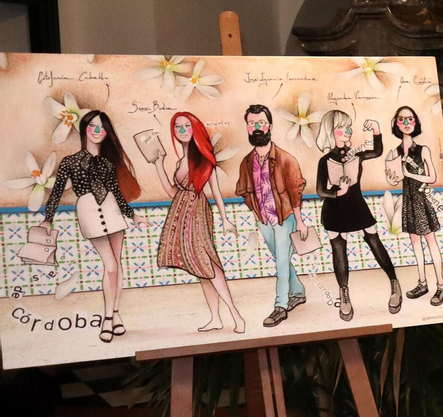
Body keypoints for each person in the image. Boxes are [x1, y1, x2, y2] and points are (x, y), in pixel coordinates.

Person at [38, 110, 143, 343]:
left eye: (102, 128)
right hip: (88, 210)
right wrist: (48, 219)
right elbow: (55, 193)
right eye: (93, 126)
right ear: (84, 128)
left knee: (116, 263)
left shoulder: (108, 162)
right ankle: (108, 318)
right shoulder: (70, 162)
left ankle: (115, 314)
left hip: (113, 210)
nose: (97, 131)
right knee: (111, 265)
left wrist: (132, 215)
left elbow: (116, 191)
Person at [152, 112, 245, 333]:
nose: (182, 130)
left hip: (197, 211)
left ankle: (236, 315)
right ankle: (215, 318)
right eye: (177, 127)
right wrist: (158, 165)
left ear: (195, 129)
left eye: (186, 126)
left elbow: (216, 192)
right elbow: (172, 192)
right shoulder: (179, 161)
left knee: (208, 263)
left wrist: (225, 219)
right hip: (181, 211)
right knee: (199, 268)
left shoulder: (203, 158)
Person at [315, 110, 403, 322]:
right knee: (338, 246)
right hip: (334, 208)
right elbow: (320, 190)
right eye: (342, 128)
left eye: (348, 127)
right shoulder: (324, 160)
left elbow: (378, 151)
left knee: (373, 240)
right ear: (330, 132)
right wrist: (337, 192)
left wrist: (376, 130)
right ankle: (343, 293)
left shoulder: (356, 154)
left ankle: (394, 282)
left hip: (356, 204)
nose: (347, 132)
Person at [236, 105, 308, 328]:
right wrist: (257, 213)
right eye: (252, 123)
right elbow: (244, 190)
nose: (256, 128)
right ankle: (298, 291)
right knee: (281, 257)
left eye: (261, 123)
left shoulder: (285, 159)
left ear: (269, 126)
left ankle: (281, 306)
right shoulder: (247, 162)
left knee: (281, 262)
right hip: (263, 219)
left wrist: (300, 221)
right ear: (247, 128)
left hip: (284, 217)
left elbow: (296, 191)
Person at [385, 106, 443, 306]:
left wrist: (409, 174)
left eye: (410, 119)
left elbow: (432, 177)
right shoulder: (394, 152)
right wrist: (393, 178)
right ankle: (422, 282)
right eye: (401, 119)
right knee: (414, 242)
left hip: (421, 199)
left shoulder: (423, 150)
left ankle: (441, 285)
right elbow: (394, 178)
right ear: (396, 123)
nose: (406, 123)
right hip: (408, 199)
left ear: (415, 122)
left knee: (430, 241)